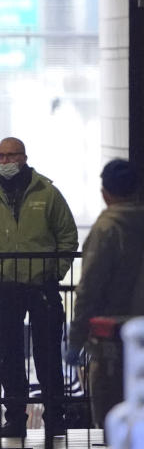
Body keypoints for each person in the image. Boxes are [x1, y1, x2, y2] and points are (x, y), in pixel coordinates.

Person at [0, 137, 78, 438]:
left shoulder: (48, 193)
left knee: (47, 354)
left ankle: (56, 416)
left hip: (42, 286)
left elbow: (67, 236)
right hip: (4, 288)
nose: (5, 162)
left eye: (11, 155)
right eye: (1, 156)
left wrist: (54, 272)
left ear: (24, 157)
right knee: (10, 356)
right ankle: (15, 417)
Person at [67, 159, 144, 429]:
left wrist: (75, 339)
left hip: (111, 342)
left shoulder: (106, 230)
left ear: (105, 193)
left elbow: (90, 288)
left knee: (114, 421)